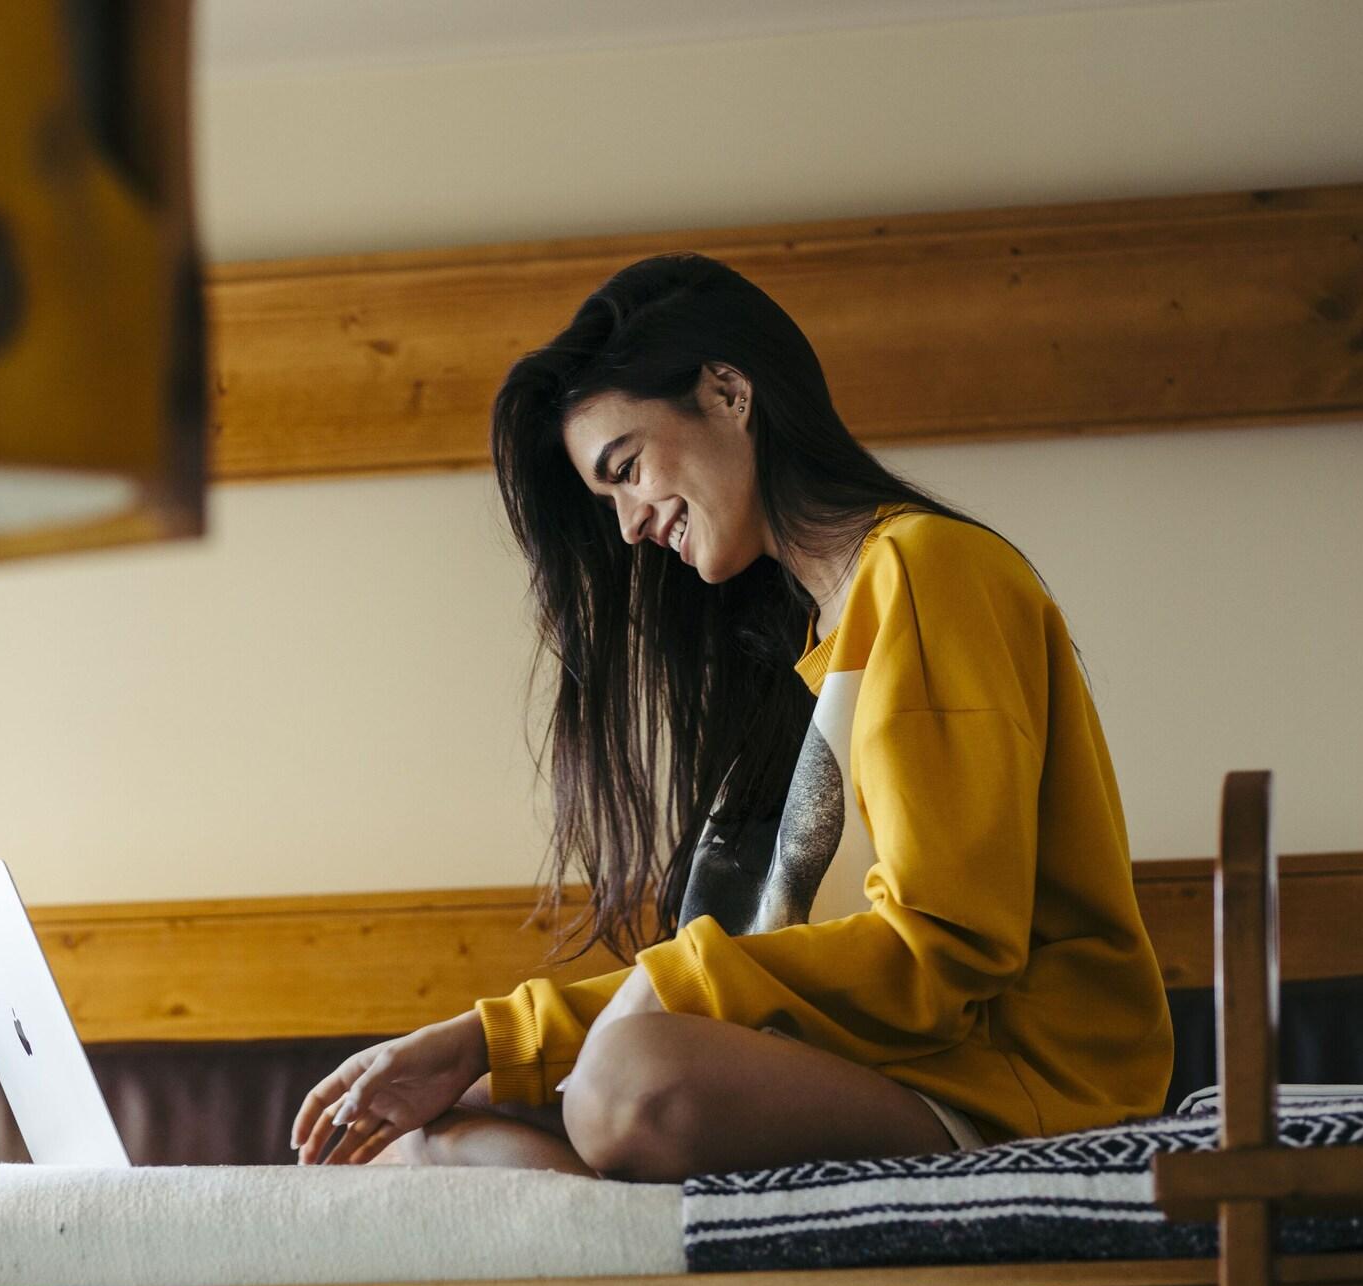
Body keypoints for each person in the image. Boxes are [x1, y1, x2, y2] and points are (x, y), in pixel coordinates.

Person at [290, 252, 1173, 1181]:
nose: (629, 524)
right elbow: (762, 958)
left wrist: (601, 1014)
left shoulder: (927, 569)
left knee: (624, 1081)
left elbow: (943, 944)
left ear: (727, 391)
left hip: (1019, 1093)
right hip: (892, 1074)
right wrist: (486, 1040)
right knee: (431, 1126)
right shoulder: (803, 644)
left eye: (625, 468)